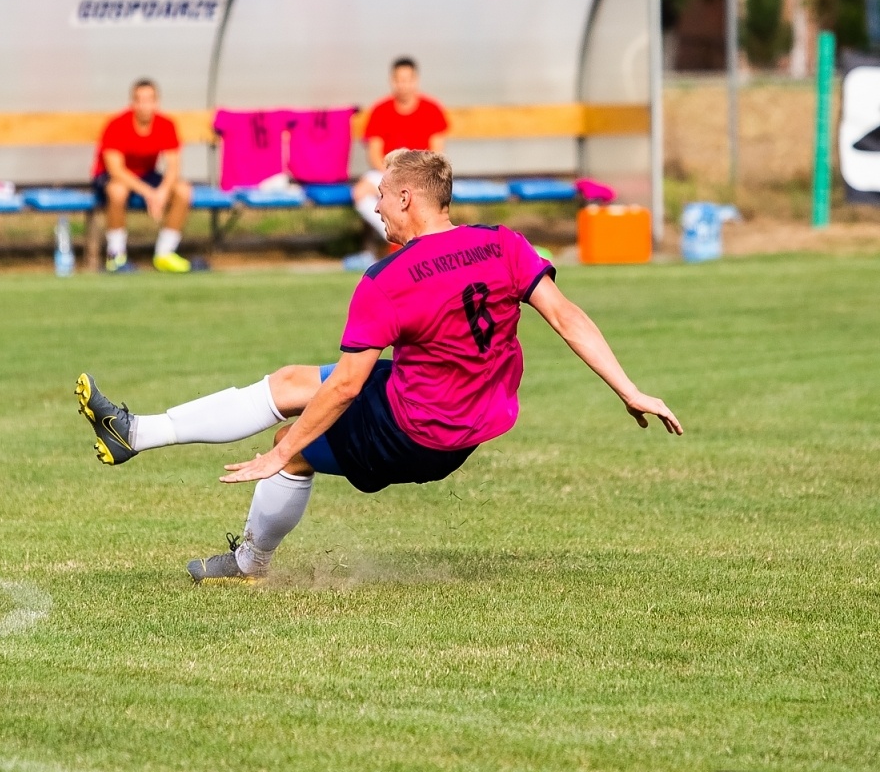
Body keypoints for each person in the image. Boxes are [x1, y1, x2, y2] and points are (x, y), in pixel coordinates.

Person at [75, 149, 682, 581]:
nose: (377, 209)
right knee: (291, 381)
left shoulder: (388, 280)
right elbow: (567, 316)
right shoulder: (503, 243)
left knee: (293, 442)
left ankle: (248, 564)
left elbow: (345, 387)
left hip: (418, 430)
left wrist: (282, 453)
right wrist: (630, 390)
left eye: (383, 198)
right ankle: (135, 432)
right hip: (456, 410)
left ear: (408, 198)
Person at [92, 78, 195, 273]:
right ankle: (116, 256)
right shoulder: (116, 125)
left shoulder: (166, 124)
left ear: (157, 102)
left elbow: (173, 166)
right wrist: (149, 193)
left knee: (183, 191)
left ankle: (165, 253)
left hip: (146, 175)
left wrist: (162, 192)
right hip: (111, 177)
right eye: (139, 100)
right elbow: (116, 170)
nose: (144, 105)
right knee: (117, 191)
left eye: (149, 100)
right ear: (132, 103)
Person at [353, 57, 449, 244]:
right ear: (392, 81)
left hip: (422, 175)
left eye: (407, 80)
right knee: (361, 192)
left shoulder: (432, 110)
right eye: (399, 80)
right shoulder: (380, 111)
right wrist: (393, 177)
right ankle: (398, 238)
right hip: (388, 173)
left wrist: (414, 175)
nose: (403, 85)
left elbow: (436, 154)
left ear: (415, 80)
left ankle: (414, 239)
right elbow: (374, 155)